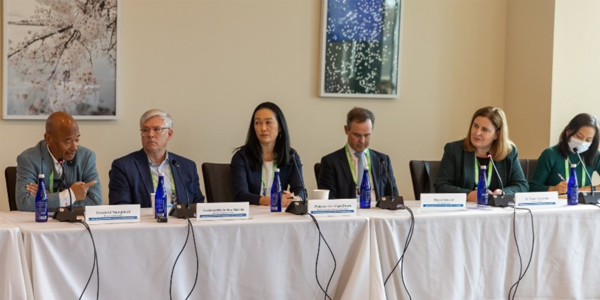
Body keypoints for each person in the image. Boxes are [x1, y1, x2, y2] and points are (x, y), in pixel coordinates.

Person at [109, 109, 204, 207]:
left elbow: (197, 204)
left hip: (181, 221)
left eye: (156, 129)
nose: (150, 134)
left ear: (169, 134)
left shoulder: (186, 166)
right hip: (145, 222)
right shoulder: (124, 166)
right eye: (145, 130)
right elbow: (121, 208)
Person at [434, 106, 528, 201]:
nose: (477, 132)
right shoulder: (454, 150)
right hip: (462, 211)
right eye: (475, 126)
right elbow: (441, 186)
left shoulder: (509, 152)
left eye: (485, 129)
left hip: (496, 211)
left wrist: (504, 193)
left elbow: (522, 186)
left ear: (497, 134)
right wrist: (468, 195)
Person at [16, 112, 101, 211]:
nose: (74, 147)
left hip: (76, 224)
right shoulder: (28, 159)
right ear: (48, 138)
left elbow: (95, 202)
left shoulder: (86, 157)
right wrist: (70, 195)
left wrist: (48, 198)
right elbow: (24, 203)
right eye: (68, 141)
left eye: (77, 139)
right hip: (41, 224)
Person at [231, 102, 306, 206]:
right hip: (251, 216)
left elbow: (300, 189)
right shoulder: (241, 157)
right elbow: (240, 195)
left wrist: (295, 198)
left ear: (280, 127)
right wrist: (273, 201)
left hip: (280, 215)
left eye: (268, 122)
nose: (263, 128)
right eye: (258, 123)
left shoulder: (291, 156)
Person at [318, 107, 399, 200]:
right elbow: (329, 200)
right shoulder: (331, 162)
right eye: (357, 135)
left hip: (378, 212)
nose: (362, 141)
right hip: (347, 213)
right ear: (346, 130)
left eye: (367, 135)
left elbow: (393, 196)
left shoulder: (383, 160)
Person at [530, 113, 600, 193]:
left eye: (588, 140)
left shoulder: (595, 155)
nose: (582, 142)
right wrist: (553, 189)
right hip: (556, 203)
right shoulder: (550, 154)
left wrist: (590, 189)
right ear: (568, 132)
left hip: (584, 204)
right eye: (579, 137)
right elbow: (532, 187)